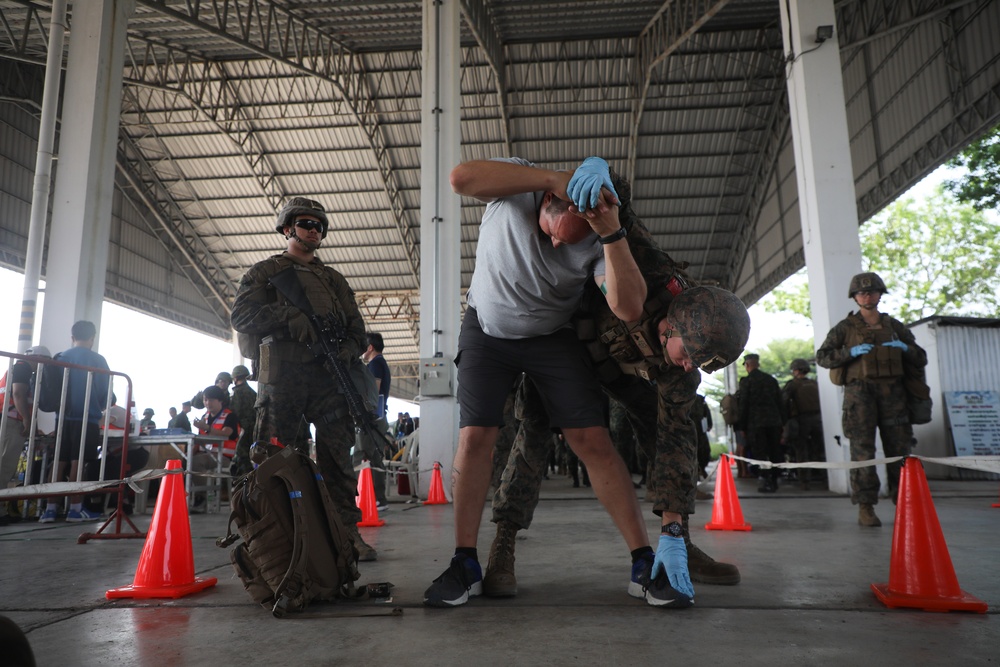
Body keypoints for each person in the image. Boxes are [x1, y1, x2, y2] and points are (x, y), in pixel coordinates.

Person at [425, 154, 696, 610]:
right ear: (552, 198)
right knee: (476, 437)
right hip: (487, 332)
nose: (556, 248)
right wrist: (554, 177)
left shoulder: (595, 238)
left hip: (553, 337)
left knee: (592, 439)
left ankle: (642, 562)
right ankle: (465, 562)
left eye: (570, 243)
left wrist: (609, 232)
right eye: (553, 233)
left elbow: (628, 308)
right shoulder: (518, 185)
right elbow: (458, 178)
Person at [482, 181, 750, 599]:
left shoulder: (682, 363)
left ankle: (677, 544)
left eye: (698, 364)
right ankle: (503, 544)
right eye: (690, 356)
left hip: (623, 372)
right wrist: (598, 177)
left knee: (667, 434)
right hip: (569, 346)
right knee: (533, 429)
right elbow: (614, 199)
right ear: (673, 324)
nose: (689, 366)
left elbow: (675, 447)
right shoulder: (646, 264)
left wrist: (673, 529)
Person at [230, 196, 376, 561]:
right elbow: (241, 317)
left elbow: (358, 330)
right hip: (283, 379)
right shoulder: (265, 273)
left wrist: (345, 350)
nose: (314, 230)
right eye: (307, 224)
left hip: (329, 379)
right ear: (287, 228)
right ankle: (280, 539)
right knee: (277, 461)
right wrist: (286, 316)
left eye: (319, 226)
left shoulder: (332, 280)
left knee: (338, 460)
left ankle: (346, 536)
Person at [816, 272, 927, 526]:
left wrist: (905, 349)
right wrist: (849, 352)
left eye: (872, 291)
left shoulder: (895, 326)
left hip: (894, 395)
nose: (867, 296)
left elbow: (920, 357)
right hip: (860, 395)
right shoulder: (845, 328)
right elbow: (823, 356)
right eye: (862, 293)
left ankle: (905, 505)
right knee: (862, 453)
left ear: (880, 295)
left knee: (900, 452)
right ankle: (866, 506)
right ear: (854, 297)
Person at [39, 321, 110, 523]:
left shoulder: (60, 358)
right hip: (86, 418)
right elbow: (105, 394)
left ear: (72, 337)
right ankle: (75, 508)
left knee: (59, 461)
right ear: (92, 338)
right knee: (78, 461)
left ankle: (50, 509)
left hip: (62, 418)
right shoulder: (98, 360)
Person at [0, 346, 50, 525]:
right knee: (4, 467)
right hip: (10, 422)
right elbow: (18, 393)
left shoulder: (18, 368)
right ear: (38, 358)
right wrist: (27, 420)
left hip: (8, 420)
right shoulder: (22, 366)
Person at [737, 353, 785, 493]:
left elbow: (743, 405)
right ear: (758, 364)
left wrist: (742, 426)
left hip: (756, 424)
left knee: (760, 453)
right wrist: (783, 422)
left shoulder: (746, 381)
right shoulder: (771, 380)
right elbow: (780, 402)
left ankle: (765, 480)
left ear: (747, 365)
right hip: (774, 422)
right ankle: (775, 480)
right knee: (775, 451)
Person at [191, 384, 238, 512]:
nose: (207, 403)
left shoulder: (230, 416)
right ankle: (196, 498)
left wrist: (207, 428)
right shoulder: (204, 418)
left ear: (220, 401)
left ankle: (203, 498)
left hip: (223, 457)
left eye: (211, 400)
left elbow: (227, 433)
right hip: (206, 455)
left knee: (195, 463)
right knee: (186, 461)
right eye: (205, 400)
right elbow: (199, 439)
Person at [358, 332, 391, 510]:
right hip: (377, 417)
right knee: (372, 456)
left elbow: (373, 389)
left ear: (370, 347)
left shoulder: (375, 364)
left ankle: (377, 498)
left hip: (373, 418)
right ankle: (377, 497)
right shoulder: (380, 363)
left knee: (366, 456)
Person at [781, 358, 826, 489]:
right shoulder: (814, 383)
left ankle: (804, 481)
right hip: (817, 419)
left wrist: (784, 422)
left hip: (801, 420)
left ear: (796, 370)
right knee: (818, 450)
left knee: (801, 451)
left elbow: (783, 403)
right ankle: (823, 477)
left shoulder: (792, 385)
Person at [229, 364, 257, 476]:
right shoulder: (253, 393)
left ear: (235, 378)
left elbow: (234, 412)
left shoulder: (236, 393)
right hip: (253, 428)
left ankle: (247, 483)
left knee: (241, 457)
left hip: (241, 429)